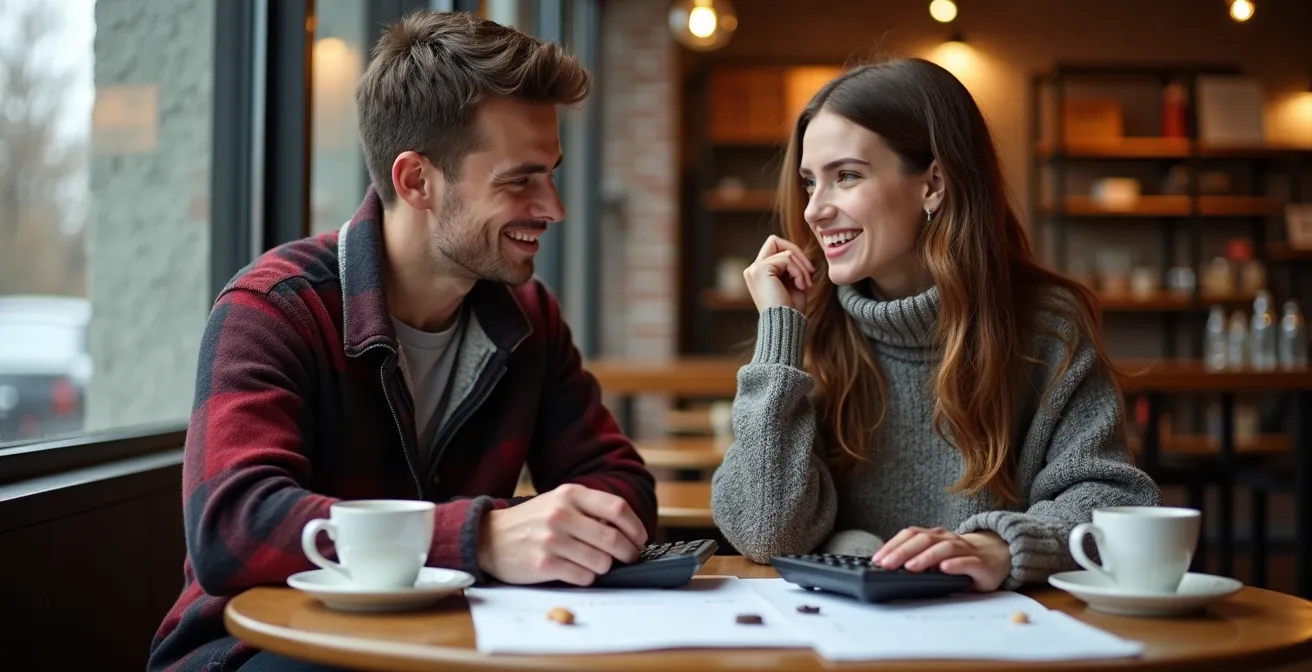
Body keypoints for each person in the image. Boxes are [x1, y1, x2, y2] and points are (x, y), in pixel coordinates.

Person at [148, 11, 656, 672]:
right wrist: (484, 538)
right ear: (416, 180)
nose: (554, 207)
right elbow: (232, 526)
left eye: (552, 174)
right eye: (520, 181)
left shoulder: (529, 319)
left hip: (446, 644)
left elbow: (620, 486)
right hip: (263, 651)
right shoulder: (274, 308)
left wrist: (541, 534)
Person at [710, 58, 1161, 593]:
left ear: (933, 185)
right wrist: (780, 333)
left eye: (846, 176)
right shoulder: (808, 329)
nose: (813, 210)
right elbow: (765, 533)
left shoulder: (1046, 328)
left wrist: (999, 545)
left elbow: (1117, 502)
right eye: (810, 182)